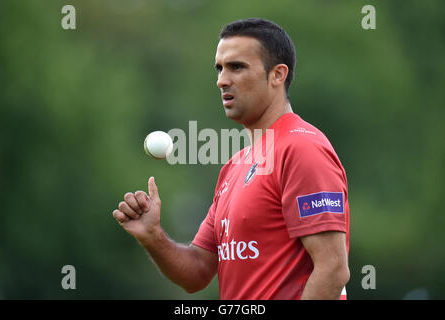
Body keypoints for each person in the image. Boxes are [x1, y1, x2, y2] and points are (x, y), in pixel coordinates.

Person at [112, 18, 350, 300]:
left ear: (277, 75)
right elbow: (198, 271)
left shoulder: (302, 147)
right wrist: (153, 237)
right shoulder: (234, 167)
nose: (221, 80)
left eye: (237, 67)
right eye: (220, 68)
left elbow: (333, 268)